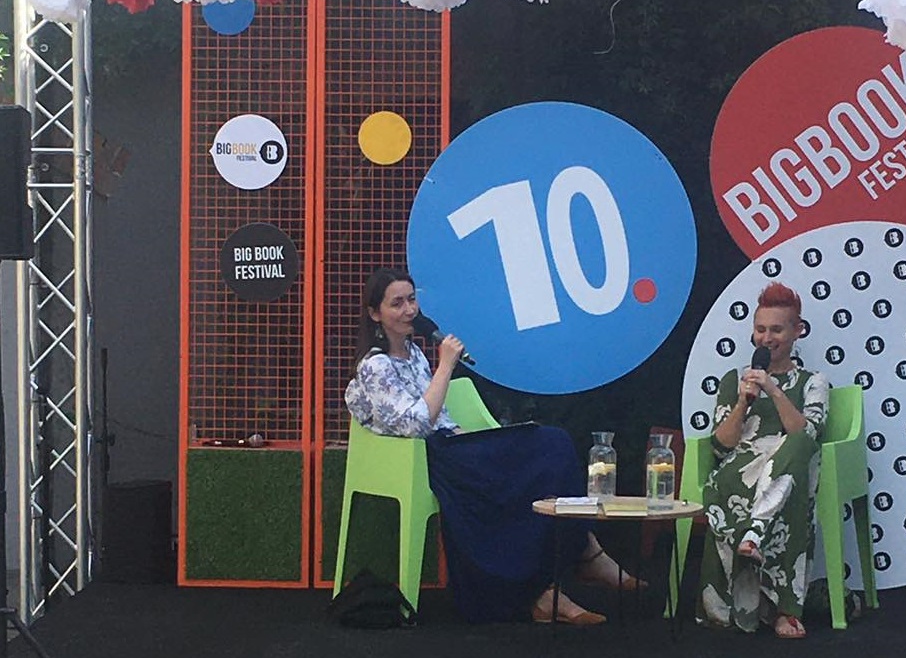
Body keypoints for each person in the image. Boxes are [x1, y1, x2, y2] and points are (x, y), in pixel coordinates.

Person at [343, 267, 641, 626]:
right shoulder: (375, 366)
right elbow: (417, 425)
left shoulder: (414, 353)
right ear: (375, 313)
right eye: (397, 304)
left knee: (552, 443)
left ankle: (576, 557)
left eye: (411, 299)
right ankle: (568, 570)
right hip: (427, 455)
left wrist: (471, 433)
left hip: (453, 443)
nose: (409, 310)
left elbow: (441, 415)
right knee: (541, 454)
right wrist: (446, 366)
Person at [697, 282, 829, 639]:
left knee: (796, 449)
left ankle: (780, 597)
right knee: (744, 476)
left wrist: (773, 388)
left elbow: (807, 433)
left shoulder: (813, 382)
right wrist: (744, 400)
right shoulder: (733, 380)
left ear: (797, 331)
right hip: (741, 470)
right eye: (760, 329)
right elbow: (721, 447)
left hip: (789, 469)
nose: (766, 338)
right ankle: (760, 594)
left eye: (776, 330)